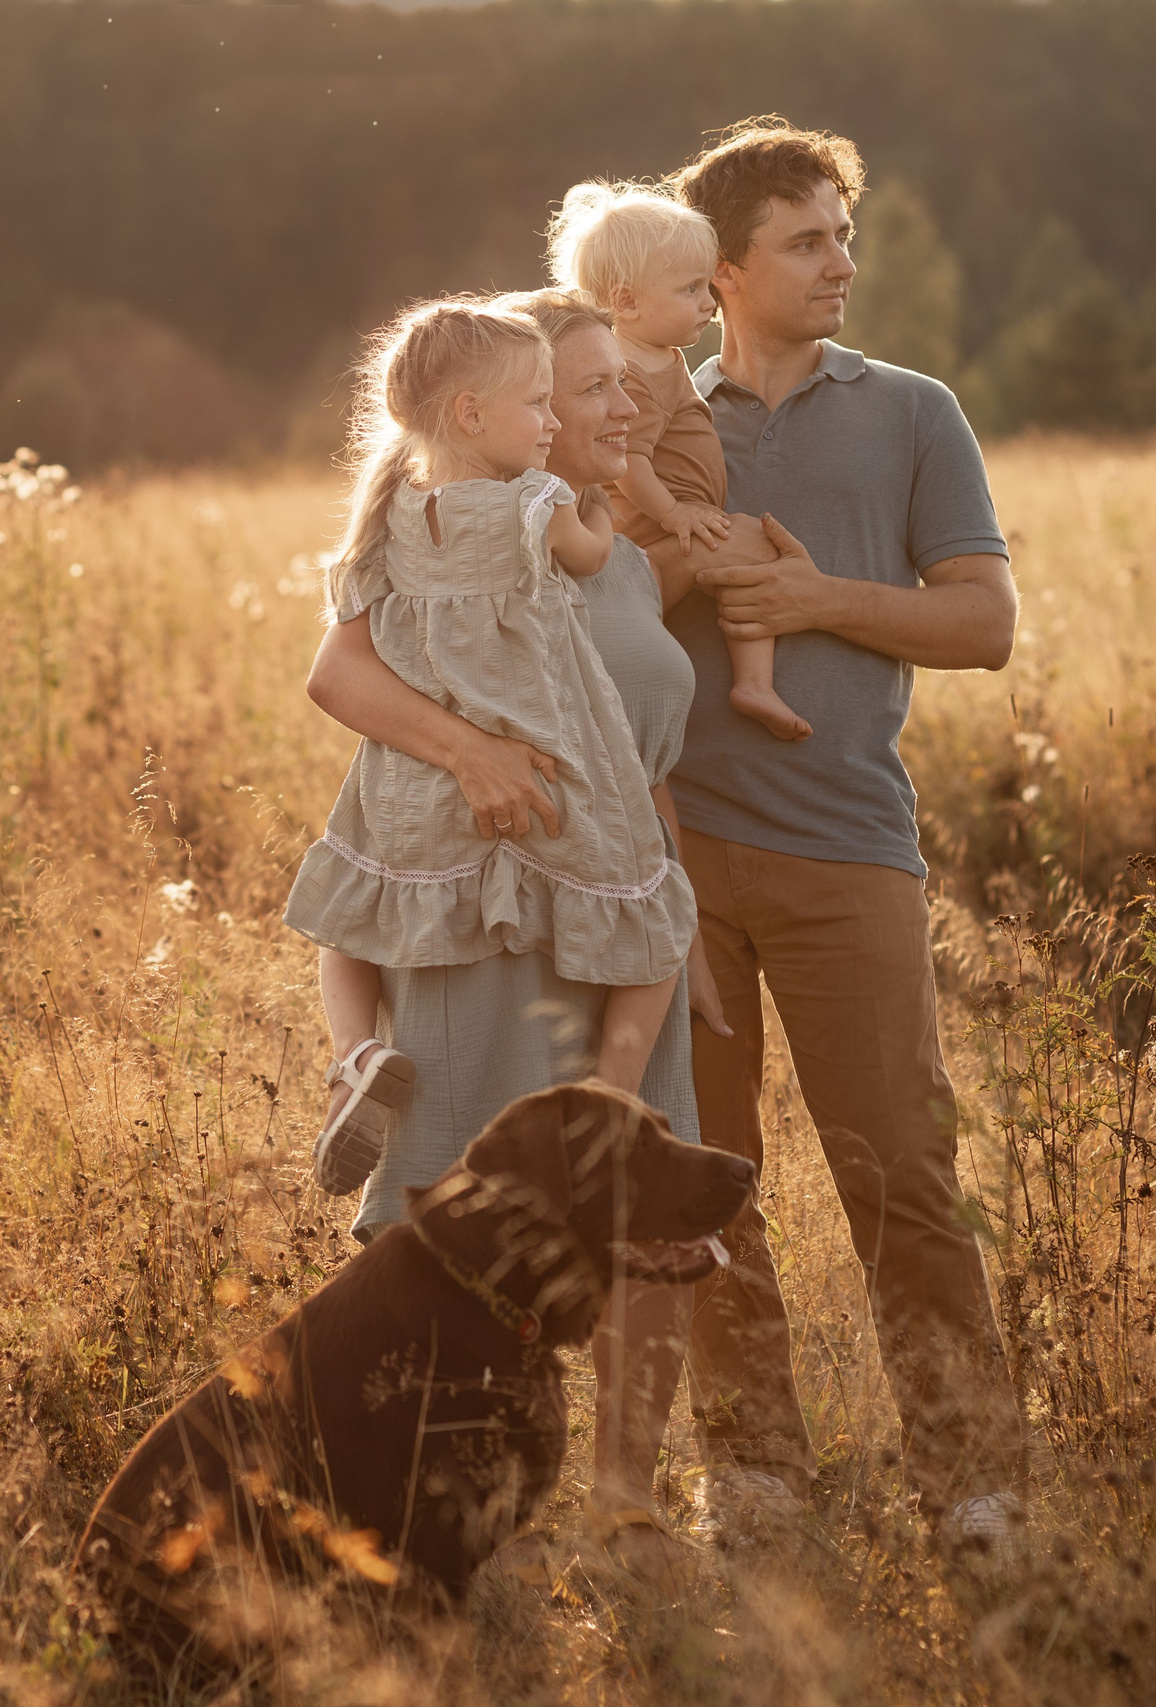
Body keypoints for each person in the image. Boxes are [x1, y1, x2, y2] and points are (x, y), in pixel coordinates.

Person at [299, 291, 722, 1578]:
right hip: (487, 896)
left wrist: (675, 911)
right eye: (580, 387)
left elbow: (634, 751)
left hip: (606, 886)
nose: (612, 406)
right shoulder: (486, 522)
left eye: (613, 386)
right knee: (455, 1194)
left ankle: (626, 1503)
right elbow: (339, 679)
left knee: (641, 1198)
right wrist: (473, 752)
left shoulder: (633, 561)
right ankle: (462, 1508)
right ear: (494, 413)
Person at [659, 119, 1030, 1559]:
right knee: (701, 1170)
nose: (841, 263)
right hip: (677, 866)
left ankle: (977, 1488)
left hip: (847, 847)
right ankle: (750, 1474)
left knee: (901, 1174)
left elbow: (984, 625)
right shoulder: (656, 420)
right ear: (728, 269)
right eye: (808, 240)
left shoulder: (913, 409)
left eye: (845, 234)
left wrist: (819, 603)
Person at [283, 296, 693, 1198]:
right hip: (549, 770)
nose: (553, 423)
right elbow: (588, 550)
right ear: (472, 413)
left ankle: (353, 1054)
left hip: (405, 796)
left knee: (348, 906)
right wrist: (610, 516)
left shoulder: (384, 519)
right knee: (657, 913)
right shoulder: (534, 503)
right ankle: (607, 1104)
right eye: (551, 401)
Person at [547, 181, 811, 742]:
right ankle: (754, 684)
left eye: (706, 286)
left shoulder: (661, 357)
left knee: (745, 559)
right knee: (753, 545)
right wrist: (673, 516)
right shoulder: (631, 375)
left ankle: (745, 682)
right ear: (626, 302)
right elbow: (632, 463)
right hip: (654, 528)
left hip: (675, 521)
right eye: (691, 289)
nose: (709, 303)